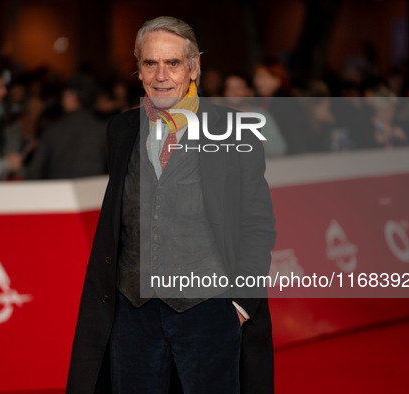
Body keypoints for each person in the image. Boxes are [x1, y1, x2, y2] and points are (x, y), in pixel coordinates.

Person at [66, 16, 276, 394]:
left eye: (173, 63)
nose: (161, 75)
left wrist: (240, 305)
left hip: (209, 310)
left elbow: (258, 224)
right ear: (139, 69)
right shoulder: (121, 130)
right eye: (150, 63)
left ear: (194, 67)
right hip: (132, 312)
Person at [26, 73, 107, 179]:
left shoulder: (53, 130)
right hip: (95, 193)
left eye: (64, 95)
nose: (62, 100)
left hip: (58, 193)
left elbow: (34, 171)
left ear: (73, 98)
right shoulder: (103, 130)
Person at [223, 74, 287, 156]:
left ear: (249, 92)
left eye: (238, 88)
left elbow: (280, 148)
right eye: (229, 88)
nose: (234, 92)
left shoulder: (262, 115)